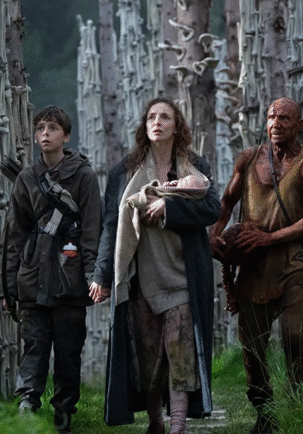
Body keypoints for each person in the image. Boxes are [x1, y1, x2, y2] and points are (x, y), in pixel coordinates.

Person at [89, 97, 220, 434]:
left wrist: (169, 208)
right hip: (139, 279)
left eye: (165, 116)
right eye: (151, 117)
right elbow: (109, 225)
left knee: (180, 352)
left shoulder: (194, 168)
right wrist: (103, 274)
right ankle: (155, 422)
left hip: (182, 276)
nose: (157, 122)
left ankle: (177, 425)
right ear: (144, 126)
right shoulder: (125, 172)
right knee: (148, 357)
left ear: (178, 126)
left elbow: (212, 210)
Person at [209, 97, 303, 434]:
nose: (276, 123)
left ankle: (297, 403)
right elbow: (227, 202)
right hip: (253, 267)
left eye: (285, 118)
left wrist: (271, 238)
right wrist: (214, 236)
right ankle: (265, 412)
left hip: (294, 263)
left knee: (293, 334)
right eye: (271, 117)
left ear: (299, 125)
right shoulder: (248, 159)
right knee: (253, 344)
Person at [2, 105, 102, 434]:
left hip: (70, 279)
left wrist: (93, 277)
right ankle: (27, 407)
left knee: (69, 352)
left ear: (66, 136)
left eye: (53, 129)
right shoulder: (27, 179)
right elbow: (14, 235)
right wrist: (10, 286)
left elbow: (91, 230)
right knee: (33, 347)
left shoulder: (83, 176)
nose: (45, 134)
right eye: (41, 128)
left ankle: (63, 415)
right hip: (32, 278)